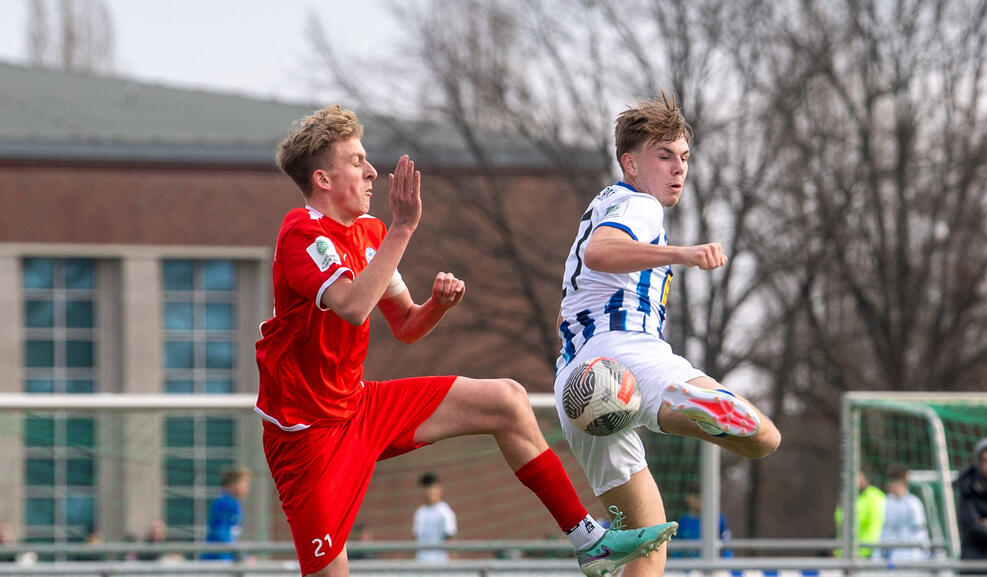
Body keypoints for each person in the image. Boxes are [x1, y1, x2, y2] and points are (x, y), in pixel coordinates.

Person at [254, 105, 679, 577]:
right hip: (305, 437)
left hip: (358, 408)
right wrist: (404, 227)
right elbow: (352, 306)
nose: (373, 170)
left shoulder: (371, 234)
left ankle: (588, 541)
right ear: (323, 179)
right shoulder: (302, 232)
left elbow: (407, 326)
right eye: (357, 161)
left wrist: (437, 305)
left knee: (507, 400)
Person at [553, 92, 781, 576]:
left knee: (646, 546)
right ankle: (683, 407)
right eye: (664, 156)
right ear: (629, 163)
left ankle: (682, 408)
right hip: (622, 355)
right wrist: (682, 253)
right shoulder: (639, 205)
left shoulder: (605, 201)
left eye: (684, 158)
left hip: (575, 386)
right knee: (764, 438)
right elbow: (601, 253)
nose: (678, 169)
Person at [876, 465, 930, 562]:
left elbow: (920, 531)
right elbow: (883, 530)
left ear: (901, 484)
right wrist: (877, 555)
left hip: (912, 558)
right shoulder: (886, 502)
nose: (890, 485)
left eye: (893, 482)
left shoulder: (914, 503)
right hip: (891, 559)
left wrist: (925, 554)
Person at [200, 467, 251, 561]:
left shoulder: (233, 503)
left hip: (226, 556)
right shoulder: (224, 502)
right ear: (232, 485)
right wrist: (241, 556)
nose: (246, 487)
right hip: (218, 558)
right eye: (243, 483)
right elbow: (221, 533)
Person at [834, 470, 886, 558]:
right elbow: (839, 522)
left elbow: (874, 528)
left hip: (865, 554)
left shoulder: (874, 497)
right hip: (844, 553)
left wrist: (862, 552)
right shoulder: (847, 497)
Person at [411, 472, 457, 563]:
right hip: (421, 563)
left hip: (440, 564)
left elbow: (451, 540)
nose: (430, 492)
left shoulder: (445, 512)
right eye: (427, 488)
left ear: (439, 490)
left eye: (433, 488)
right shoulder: (420, 512)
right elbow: (415, 539)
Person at [671, 493, 732, 559]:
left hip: (714, 563)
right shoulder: (682, 521)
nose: (699, 500)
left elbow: (727, 545)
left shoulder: (719, 519)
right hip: (689, 564)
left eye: (702, 497)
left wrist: (725, 563)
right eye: (696, 497)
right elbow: (676, 549)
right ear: (688, 499)